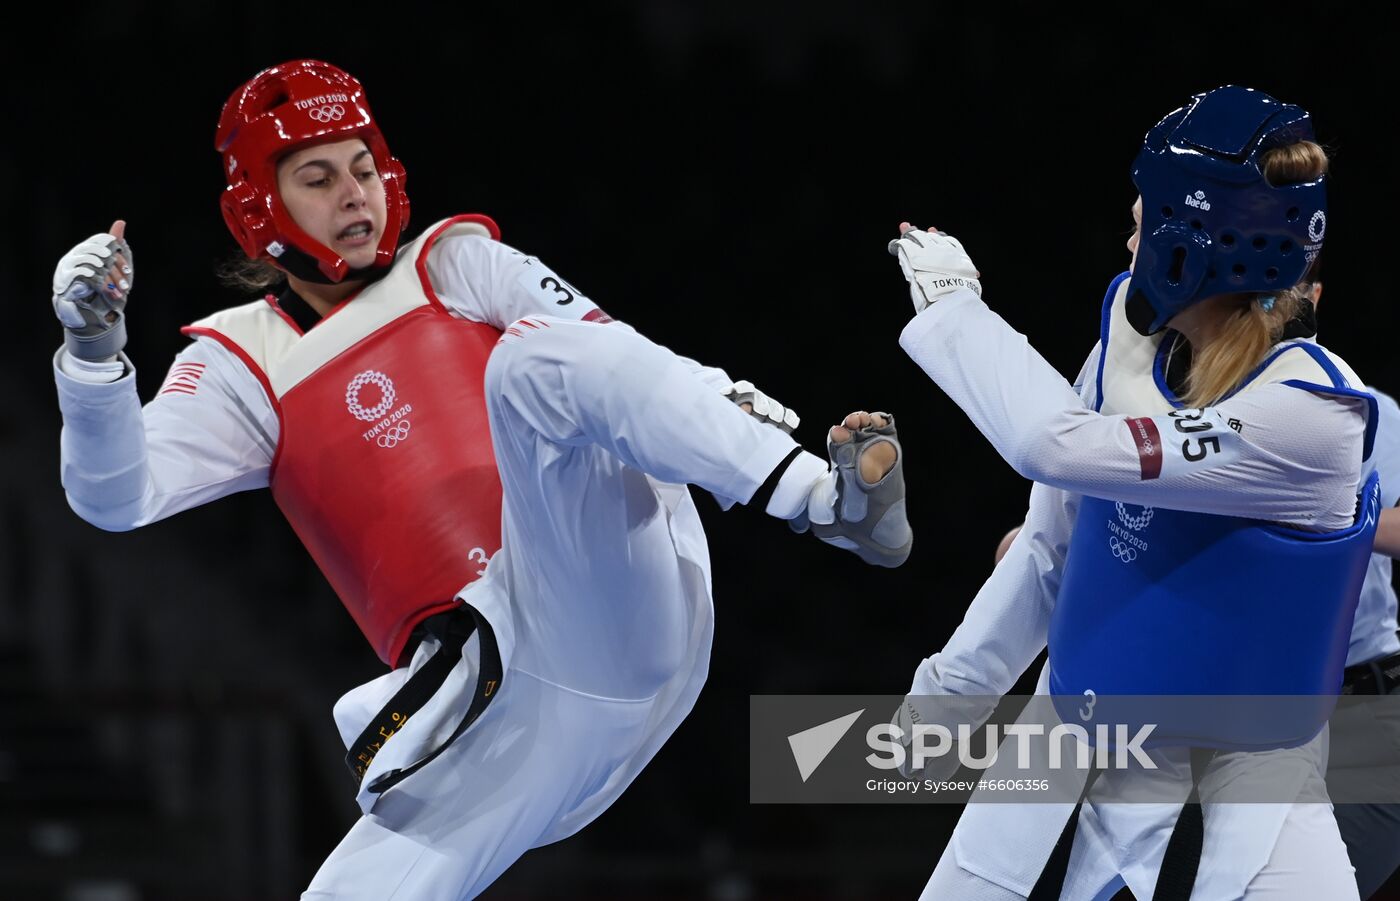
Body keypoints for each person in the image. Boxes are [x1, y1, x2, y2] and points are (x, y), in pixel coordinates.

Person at [49, 59, 911, 899]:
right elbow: (115, 496)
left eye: (363, 168)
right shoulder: (243, 363)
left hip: (604, 588)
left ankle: (827, 503)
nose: (355, 194)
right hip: (504, 717)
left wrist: (733, 411)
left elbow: (607, 351)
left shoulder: (454, 265)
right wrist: (92, 359)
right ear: (258, 210)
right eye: (318, 177)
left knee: (533, 360)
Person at [888, 85, 1378, 899]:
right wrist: (945, 700)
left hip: (1250, 779)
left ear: (1193, 246)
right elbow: (1049, 548)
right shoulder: (1134, 351)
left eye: (1143, 221)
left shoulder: (1312, 415)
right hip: (1065, 740)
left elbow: (1058, 447)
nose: (1128, 237)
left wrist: (955, 311)